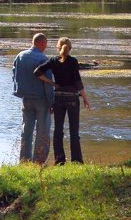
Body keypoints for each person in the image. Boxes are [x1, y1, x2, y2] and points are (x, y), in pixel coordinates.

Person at [34, 36, 90, 165]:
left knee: (58, 130)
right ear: (70, 48)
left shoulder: (53, 61)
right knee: (74, 130)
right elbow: (78, 82)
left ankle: (59, 161)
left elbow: (37, 72)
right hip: (72, 98)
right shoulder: (73, 61)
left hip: (58, 98)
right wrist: (85, 99)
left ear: (58, 47)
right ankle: (76, 161)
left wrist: (52, 83)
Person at [12, 32, 54, 163]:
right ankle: (39, 162)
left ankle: (24, 160)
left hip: (25, 98)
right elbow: (48, 82)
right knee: (42, 132)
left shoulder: (20, 56)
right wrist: (52, 102)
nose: (45, 47)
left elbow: (14, 75)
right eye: (45, 44)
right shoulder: (43, 59)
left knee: (26, 130)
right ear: (42, 43)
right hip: (41, 99)